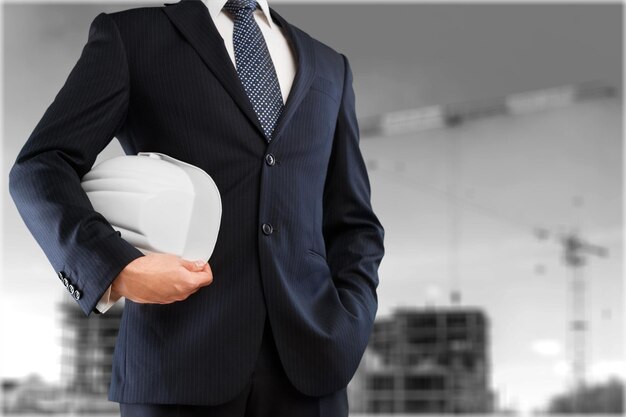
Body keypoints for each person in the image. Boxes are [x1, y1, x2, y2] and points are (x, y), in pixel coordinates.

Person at [8, 0, 385, 416]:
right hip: (176, 365)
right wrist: (117, 268)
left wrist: (353, 319)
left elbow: (354, 223)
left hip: (314, 371)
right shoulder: (132, 36)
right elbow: (41, 165)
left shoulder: (331, 67)